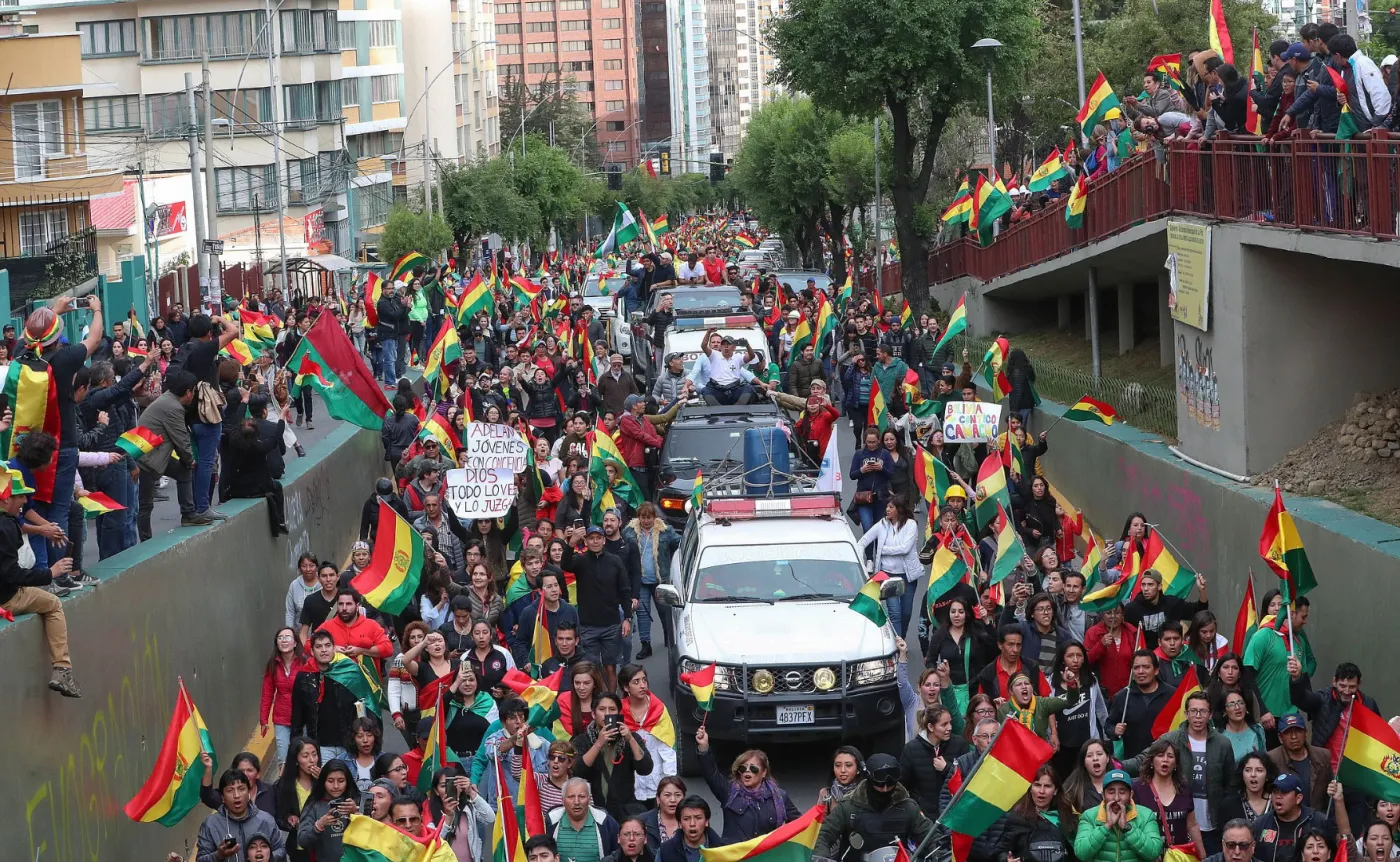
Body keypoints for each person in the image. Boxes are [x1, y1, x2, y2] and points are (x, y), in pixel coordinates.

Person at [0, 462, 81, 697]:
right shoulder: (6, 527)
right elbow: (12, 575)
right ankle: (63, 671)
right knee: (53, 603)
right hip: (5, 598)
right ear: (5, 500)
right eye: (20, 497)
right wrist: (51, 573)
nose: (25, 502)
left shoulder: (10, 523)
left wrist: (45, 530)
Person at [812, 753, 935, 860]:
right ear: (869, 780)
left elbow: (931, 836)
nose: (885, 789)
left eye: (890, 784)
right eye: (880, 784)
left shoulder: (909, 808)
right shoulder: (848, 807)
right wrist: (821, 858)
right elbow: (824, 836)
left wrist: (942, 854)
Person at [695, 725, 801, 844]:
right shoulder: (729, 792)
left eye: (753, 769)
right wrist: (704, 747)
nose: (747, 771)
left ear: (764, 772)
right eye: (743, 768)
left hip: (766, 856)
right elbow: (711, 774)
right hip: (736, 857)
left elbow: (800, 825)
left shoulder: (780, 796)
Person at [135, 369, 202, 532]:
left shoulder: (168, 399)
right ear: (188, 392)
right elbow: (181, 440)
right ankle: (146, 541)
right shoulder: (173, 407)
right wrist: (190, 459)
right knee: (145, 504)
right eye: (193, 391)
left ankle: (189, 513)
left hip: (151, 453)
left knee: (183, 472)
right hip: (145, 458)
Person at [567, 526, 631, 689]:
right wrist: (571, 543)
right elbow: (565, 565)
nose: (595, 541)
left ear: (604, 540)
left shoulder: (615, 561)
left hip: (611, 624)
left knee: (610, 667)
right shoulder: (580, 561)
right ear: (586, 541)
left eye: (598, 538)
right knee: (591, 667)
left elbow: (625, 590)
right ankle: (596, 701)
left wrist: (628, 618)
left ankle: (611, 700)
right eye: (591, 538)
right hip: (588, 625)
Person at [573, 690, 655, 819]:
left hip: (623, 812)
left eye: (612, 709)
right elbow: (577, 771)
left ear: (619, 714)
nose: (607, 714)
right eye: (602, 709)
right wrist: (598, 744)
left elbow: (645, 768)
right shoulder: (582, 740)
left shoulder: (630, 738)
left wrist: (631, 739)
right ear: (594, 714)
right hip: (591, 811)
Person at [289, 631, 359, 763]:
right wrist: (293, 752)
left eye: (327, 645)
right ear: (312, 651)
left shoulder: (349, 672)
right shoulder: (304, 676)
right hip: (320, 746)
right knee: (326, 781)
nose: (324, 650)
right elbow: (297, 717)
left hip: (348, 744)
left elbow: (361, 708)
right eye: (319, 646)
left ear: (334, 648)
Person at [1073, 768, 1166, 862]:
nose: (1116, 798)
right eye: (1111, 792)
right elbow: (1081, 853)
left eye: (1122, 792)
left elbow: (1154, 852)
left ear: (1131, 795)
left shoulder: (1146, 815)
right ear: (1103, 795)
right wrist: (1106, 827)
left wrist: (1127, 828)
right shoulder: (1089, 816)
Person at [622, 503, 679, 656]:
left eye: (649, 517)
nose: (646, 521)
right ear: (638, 517)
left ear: (655, 517)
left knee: (664, 611)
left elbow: (680, 543)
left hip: (660, 580)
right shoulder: (629, 532)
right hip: (639, 580)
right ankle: (645, 644)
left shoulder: (666, 531)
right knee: (642, 613)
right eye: (643, 517)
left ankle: (669, 637)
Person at [1251, 774, 1347, 862]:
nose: (1278, 796)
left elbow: (1344, 845)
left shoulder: (1318, 821)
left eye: (1284, 792)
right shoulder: (1260, 824)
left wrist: (1339, 800)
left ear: (1298, 798)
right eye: (1275, 792)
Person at [196, 769, 287, 862]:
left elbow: (281, 850)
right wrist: (219, 855)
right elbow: (201, 859)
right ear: (222, 798)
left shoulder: (266, 820)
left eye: (241, 789)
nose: (236, 795)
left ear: (248, 794)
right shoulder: (211, 824)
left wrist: (268, 857)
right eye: (230, 790)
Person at [1107, 650, 1178, 761]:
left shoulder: (1172, 694)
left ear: (1156, 670)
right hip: (1133, 762)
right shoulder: (1122, 697)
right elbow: (1108, 725)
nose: (1141, 671)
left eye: (1146, 667)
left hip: (1165, 761)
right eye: (1136, 668)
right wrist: (1115, 730)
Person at [899, 705, 967, 818]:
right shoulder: (911, 749)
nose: (949, 727)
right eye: (944, 724)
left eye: (950, 723)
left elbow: (968, 777)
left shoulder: (959, 744)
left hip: (954, 813)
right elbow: (902, 786)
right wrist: (914, 810)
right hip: (924, 817)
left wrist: (947, 769)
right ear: (931, 727)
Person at [1002, 765, 1075, 862]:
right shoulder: (1017, 818)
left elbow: (1075, 853)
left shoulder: (1066, 817)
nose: (1041, 791)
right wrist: (1005, 859)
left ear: (1055, 791)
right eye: (1037, 785)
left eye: (1047, 786)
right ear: (1030, 788)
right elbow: (1001, 850)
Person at [427, 765, 495, 862]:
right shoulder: (430, 813)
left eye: (453, 785)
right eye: (443, 786)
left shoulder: (468, 808)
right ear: (436, 791)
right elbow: (433, 845)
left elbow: (490, 818)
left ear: (460, 787)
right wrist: (448, 818)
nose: (448, 790)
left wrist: (471, 792)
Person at [295, 759, 361, 861]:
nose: (336, 786)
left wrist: (356, 814)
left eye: (341, 781)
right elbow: (302, 841)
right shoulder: (314, 804)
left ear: (348, 781)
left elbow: (375, 835)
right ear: (323, 781)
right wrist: (319, 825)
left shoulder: (357, 800)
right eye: (330, 781)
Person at [1267, 714, 1334, 812]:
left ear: (1305, 733)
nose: (1294, 736)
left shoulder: (1323, 755)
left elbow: (1330, 792)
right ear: (1280, 738)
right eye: (1288, 732)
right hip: (1286, 818)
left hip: (1317, 819)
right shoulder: (1272, 759)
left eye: (1298, 731)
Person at [546, 777, 620, 862]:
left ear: (589, 799)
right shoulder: (551, 823)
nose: (577, 802)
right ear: (562, 800)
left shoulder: (606, 823)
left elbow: (618, 854)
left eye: (582, 796)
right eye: (571, 797)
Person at [1062, 739, 1116, 833]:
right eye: (1089, 755)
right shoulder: (1073, 789)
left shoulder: (1120, 783)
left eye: (1099, 754)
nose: (1095, 758)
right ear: (1083, 762)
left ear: (1107, 758)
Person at [849, 427, 894, 535]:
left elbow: (891, 475)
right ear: (865, 441)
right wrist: (862, 470)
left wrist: (882, 468)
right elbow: (852, 475)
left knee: (879, 530)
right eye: (869, 442)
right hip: (864, 498)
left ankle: (878, 551)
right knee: (868, 529)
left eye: (874, 442)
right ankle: (868, 552)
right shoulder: (859, 454)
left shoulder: (885, 454)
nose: (871, 445)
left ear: (878, 441)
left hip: (881, 498)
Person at [1220, 752, 1278, 825]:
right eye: (1248, 770)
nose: (1253, 774)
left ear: (1267, 776)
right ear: (1242, 775)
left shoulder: (1277, 801)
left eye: (1259, 770)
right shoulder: (1229, 804)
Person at [657, 796, 721, 862]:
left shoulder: (723, 849)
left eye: (698, 818)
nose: (692, 824)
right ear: (680, 823)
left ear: (706, 821)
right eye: (686, 819)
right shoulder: (665, 851)